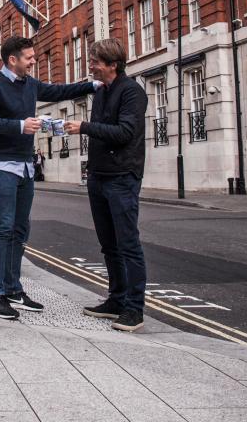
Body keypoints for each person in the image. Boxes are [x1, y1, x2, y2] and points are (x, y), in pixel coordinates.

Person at [0, 36, 98, 320]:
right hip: (0, 165)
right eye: (29, 57)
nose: (33, 60)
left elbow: (57, 91)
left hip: (25, 167)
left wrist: (92, 85)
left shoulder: (30, 84)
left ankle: (13, 290)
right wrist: (19, 125)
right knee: (2, 227)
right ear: (12, 59)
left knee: (19, 230)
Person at [64, 38, 148, 332]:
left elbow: (125, 132)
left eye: (96, 61)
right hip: (98, 176)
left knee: (128, 244)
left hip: (122, 177)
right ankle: (116, 299)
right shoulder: (100, 93)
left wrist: (84, 127)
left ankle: (134, 309)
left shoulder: (132, 92)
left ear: (113, 64)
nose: (91, 65)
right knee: (108, 245)